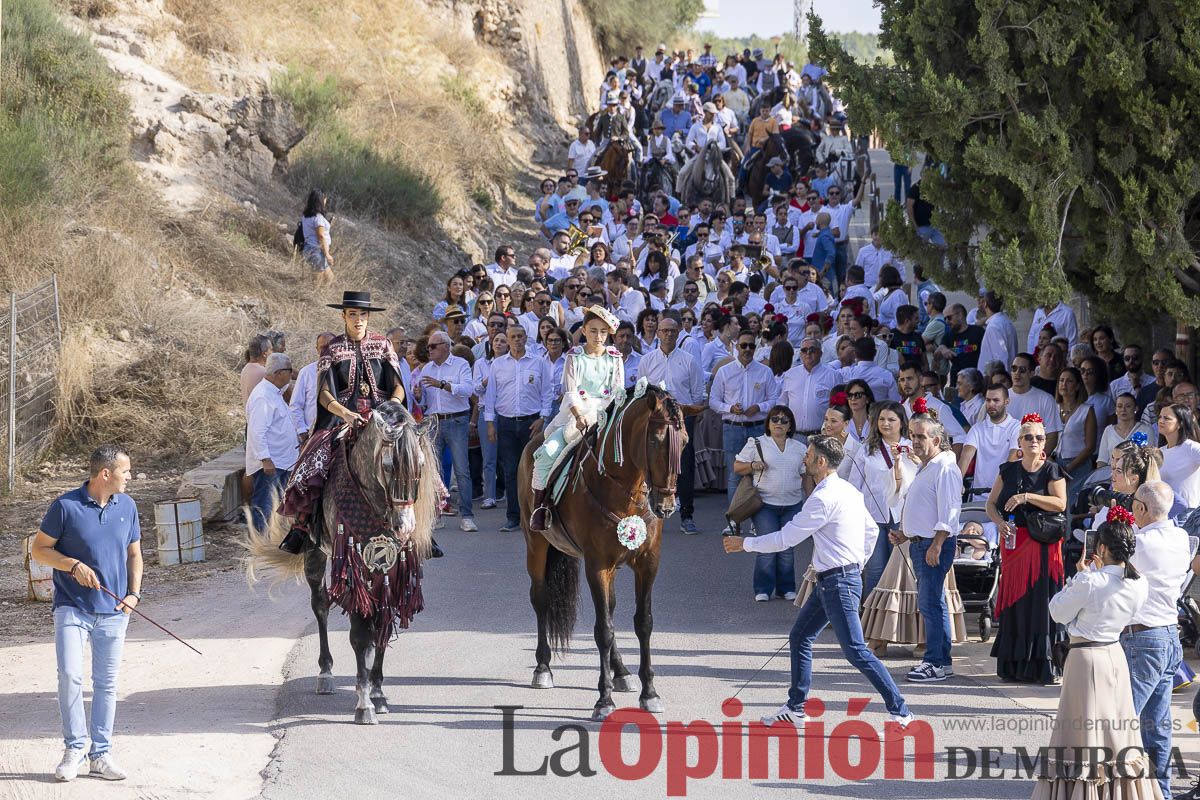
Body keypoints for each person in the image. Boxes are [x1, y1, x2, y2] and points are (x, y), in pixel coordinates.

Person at [723, 435, 915, 727]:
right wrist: (855, 563)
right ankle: (795, 707)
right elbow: (870, 533)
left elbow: (786, 538)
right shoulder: (848, 490)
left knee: (857, 651)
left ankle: (900, 711)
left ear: (821, 462)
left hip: (837, 581)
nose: (804, 459)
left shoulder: (823, 499)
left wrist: (744, 544)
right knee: (800, 637)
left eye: (809, 455)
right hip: (834, 579)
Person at [30, 445, 141, 782]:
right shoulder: (65, 506)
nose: (131, 478)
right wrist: (72, 565)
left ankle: (101, 754)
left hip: (114, 611)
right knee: (70, 677)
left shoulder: (128, 506)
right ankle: (74, 748)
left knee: (106, 685)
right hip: (72, 609)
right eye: (126, 472)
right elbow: (39, 549)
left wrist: (133, 594)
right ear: (105, 474)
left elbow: (134, 554)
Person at [1034, 509, 1158, 800]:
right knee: (1118, 729)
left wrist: (1078, 578)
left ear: (1101, 548)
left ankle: (1083, 791)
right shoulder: (1139, 583)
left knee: (1081, 730)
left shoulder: (1091, 581)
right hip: (1114, 654)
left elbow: (1056, 611)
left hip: (1085, 656)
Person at [278, 291, 408, 551]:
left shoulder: (383, 345)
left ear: (368, 316)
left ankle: (424, 521)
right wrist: (345, 413)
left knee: (414, 455)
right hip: (341, 420)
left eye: (362, 314)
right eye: (352, 314)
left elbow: (398, 386)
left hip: (383, 418)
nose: (358, 319)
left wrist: (391, 404)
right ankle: (303, 524)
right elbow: (324, 394)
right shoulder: (333, 348)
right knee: (312, 461)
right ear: (344, 316)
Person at [986, 413, 1068, 684]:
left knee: (1041, 603)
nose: (1034, 441)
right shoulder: (1007, 470)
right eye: (1029, 437)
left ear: (1045, 442)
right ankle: (1014, 665)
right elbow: (991, 504)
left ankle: (1044, 665)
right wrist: (999, 523)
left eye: (1039, 437)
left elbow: (1060, 504)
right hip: (1014, 541)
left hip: (1043, 545)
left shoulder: (1052, 470)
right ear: (1019, 441)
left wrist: (1026, 497)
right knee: (1017, 602)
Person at [528, 307, 623, 532]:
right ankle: (539, 508)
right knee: (547, 453)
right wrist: (579, 416)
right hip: (576, 414)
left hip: (607, 415)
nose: (598, 336)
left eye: (602, 332)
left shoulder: (614, 358)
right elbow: (570, 391)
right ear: (583, 330)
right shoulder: (574, 356)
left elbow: (618, 391)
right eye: (592, 331)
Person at [1126, 481, 1191, 798]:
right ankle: (1160, 791)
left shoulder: (1140, 542)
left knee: (1122, 716)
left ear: (1140, 509)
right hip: (1169, 635)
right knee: (1158, 724)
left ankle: (1114, 787)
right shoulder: (1181, 537)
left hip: (1144, 636)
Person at [897, 407, 964, 682]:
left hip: (932, 545)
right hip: (921, 543)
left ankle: (935, 662)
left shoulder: (945, 467)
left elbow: (950, 512)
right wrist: (905, 533)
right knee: (932, 603)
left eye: (921, 437)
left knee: (930, 604)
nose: (915, 442)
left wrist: (936, 544)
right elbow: (926, 508)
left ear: (936, 440)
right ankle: (941, 662)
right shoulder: (930, 466)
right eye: (912, 436)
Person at [638, 315, 706, 534]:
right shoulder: (647, 360)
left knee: (683, 466)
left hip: (680, 421)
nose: (668, 334)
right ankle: (647, 512)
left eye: (672, 331)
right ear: (657, 333)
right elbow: (641, 394)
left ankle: (687, 514)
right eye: (664, 331)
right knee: (650, 465)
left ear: (678, 334)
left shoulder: (689, 360)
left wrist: (685, 415)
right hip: (655, 422)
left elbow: (698, 395)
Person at [733, 405, 806, 601]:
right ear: (768, 423)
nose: (779, 423)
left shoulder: (800, 448)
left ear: (790, 425)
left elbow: (806, 475)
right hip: (765, 504)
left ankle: (786, 588)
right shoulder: (756, 443)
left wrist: (811, 499)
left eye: (784, 420)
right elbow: (737, 467)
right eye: (775, 419)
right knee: (765, 547)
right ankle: (763, 589)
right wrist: (752, 465)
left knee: (786, 548)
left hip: (793, 504)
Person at [847, 402, 916, 597]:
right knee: (875, 569)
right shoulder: (867, 449)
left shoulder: (911, 448)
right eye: (882, 419)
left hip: (903, 517)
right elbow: (854, 485)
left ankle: (896, 617)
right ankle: (870, 615)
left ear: (902, 422)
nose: (886, 423)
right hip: (872, 517)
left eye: (891, 419)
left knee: (901, 570)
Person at [416, 331, 477, 531]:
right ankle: (437, 514)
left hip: (457, 420)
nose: (429, 350)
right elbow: (425, 402)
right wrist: (418, 396)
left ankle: (467, 515)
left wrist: (443, 385)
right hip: (434, 421)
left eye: (433, 346)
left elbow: (468, 391)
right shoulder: (427, 368)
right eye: (428, 347)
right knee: (434, 471)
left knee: (462, 470)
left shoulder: (460, 364)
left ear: (445, 346)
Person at [711, 329, 780, 504]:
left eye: (751, 345)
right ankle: (734, 520)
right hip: (732, 428)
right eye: (743, 345)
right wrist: (729, 408)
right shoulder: (724, 371)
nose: (747, 349)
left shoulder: (765, 372)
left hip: (757, 428)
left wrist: (759, 407)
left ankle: (757, 522)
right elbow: (713, 401)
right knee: (734, 476)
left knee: (760, 475)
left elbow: (774, 399)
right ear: (736, 346)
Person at [246, 352, 299, 531]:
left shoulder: (274, 392)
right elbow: (257, 431)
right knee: (264, 506)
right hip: (271, 463)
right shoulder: (263, 396)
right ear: (278, 373)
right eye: (289, 371)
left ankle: (270, 544)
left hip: (282, 461)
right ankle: (260, 543)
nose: (291, 375)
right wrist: (265, 459)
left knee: (276, 505)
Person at [958, 384, 1019, 497]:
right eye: (988, 400)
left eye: (996, 400)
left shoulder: (1017, 427)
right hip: (978, 496)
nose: (991, 404)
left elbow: (1012, 460)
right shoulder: (977, 428)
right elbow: (965, 457)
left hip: (1004, 497)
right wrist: (957, 482)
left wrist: (997, 492)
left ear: (1006, 402)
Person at [778, 336, 840, 437]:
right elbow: (783, 403)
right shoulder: (790, 375)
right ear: (800, 354)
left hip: (822, 435)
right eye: (804, 350)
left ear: (820, 353)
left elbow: (839, 407)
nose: (808, 353)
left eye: (812, 349)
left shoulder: (833, 376)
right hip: (795, 436)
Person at [1054, 367, 1097, 510]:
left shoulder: (1086, 410)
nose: (1064, 384)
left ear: (1078, 385)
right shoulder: (1053, 407)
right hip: (1055, 464)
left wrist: (1068, 468)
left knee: (1073, 507)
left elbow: (1090, 446)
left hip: (1078, 465)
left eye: (1069, 381)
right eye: (1061, 380)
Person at [1007, 353, 1063, 454]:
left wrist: (1035, 461)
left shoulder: (1046, 399)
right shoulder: (999, 398)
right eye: (1014, 368)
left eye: (1022, 370)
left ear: (1032, 373)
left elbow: (1052, 436)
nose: (1017, 373)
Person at [290, 332, 336, 440]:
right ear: (317, 349)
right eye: (322, 347)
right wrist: (302, 430)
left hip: (340, 434)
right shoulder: (306, 372)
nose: (326, 350)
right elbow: (295, 406)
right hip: (313, 435)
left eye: (330, 346)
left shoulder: (345, 371)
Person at [1156, 403, 1200, 507]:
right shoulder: (1159, 452)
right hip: (1163, 513)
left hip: (1187, 514)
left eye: (1166, 418)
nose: (1161, 421)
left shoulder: (1192, 448)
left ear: (1180, 423)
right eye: (1160, 417)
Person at [1097, 393, 1156, 466]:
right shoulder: (1108, 430)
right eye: (1119, 406)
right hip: (1112, 475)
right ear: (1115, 409)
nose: (1123, 410)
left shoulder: (1145, 430)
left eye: (1128, 406)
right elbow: (1102, 461)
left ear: (1135, 409)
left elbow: (1150, 460)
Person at [977, 292, 1018, 374]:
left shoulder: (994, 326)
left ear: (985, 304)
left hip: (995, 379)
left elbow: (1000, 357)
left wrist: (1000, 380)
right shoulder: (1006, 321)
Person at [300, 189, 335, 287]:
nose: (326, 201)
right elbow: (320, 235)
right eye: (324, 199)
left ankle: (322, 296)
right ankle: (314, 297)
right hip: (316, 251)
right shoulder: (318, 218)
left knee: (330, 278)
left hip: (309, 248)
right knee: (317, 282)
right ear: (320, 200)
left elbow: (315, 232)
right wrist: (327, 254)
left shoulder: (306, 215)